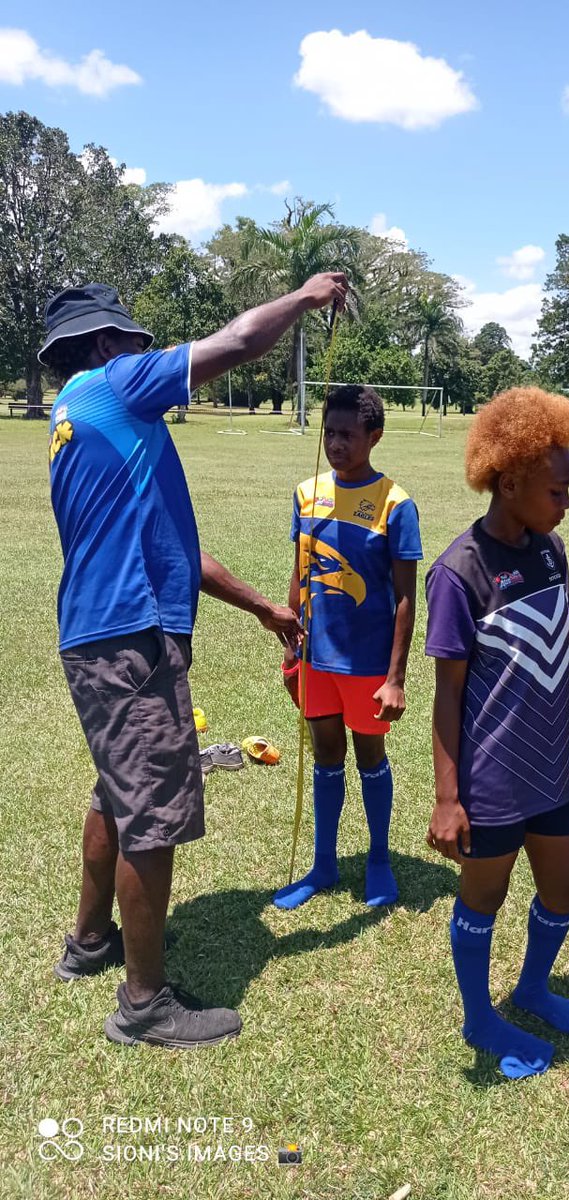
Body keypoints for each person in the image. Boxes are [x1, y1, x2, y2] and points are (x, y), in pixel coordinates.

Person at [42, 273, 348, 1048]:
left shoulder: (74, 415)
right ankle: (145, 1005)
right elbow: (237, 342)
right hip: (130, 639)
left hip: (95, 635)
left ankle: (88, 942)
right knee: (150, 815)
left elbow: (178, 549)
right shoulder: (114, 387)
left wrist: (263, 608)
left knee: (116, 793)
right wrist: (305, 298)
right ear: (105, 343)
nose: (142, 351)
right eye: (130, 340)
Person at [425, 387, 569, 1079]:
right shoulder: (459, 573)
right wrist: (447, 798)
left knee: (562, 891)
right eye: (557, 491)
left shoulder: (550, 552)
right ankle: (479, 1016)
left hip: (551, 770)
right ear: (509, 483)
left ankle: (532, 989)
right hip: (491, 776)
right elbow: (447, 695)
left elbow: (558, 643)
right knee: (483, 898)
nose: (567, 503)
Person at [276, 385, 422, 909]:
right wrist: (291, 642)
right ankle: (324, 864)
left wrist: (395, 677)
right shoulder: (305, 493)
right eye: (329, 433)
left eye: (347, 435)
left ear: (374, 437)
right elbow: (300, 570)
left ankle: (379, 858)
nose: (335, 444)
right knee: (326, 755)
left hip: (366, 664)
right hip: (316, 658)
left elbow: (406, 598)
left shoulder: (395, 504)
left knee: (369, 755)